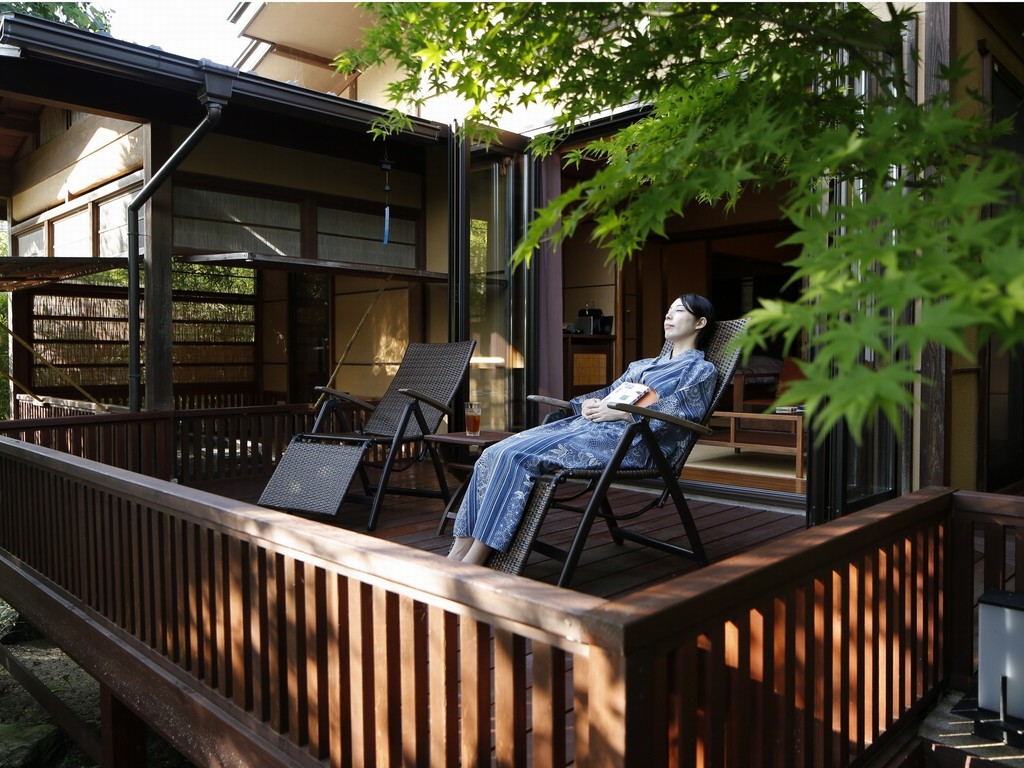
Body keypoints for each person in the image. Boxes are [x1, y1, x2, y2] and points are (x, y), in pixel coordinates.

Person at [447, 293, 718, 565]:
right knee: (494, 452)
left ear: (700, 322)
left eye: (679, 311)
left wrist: (623, 415)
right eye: (668, 310)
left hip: (633, 444)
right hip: (589, 430)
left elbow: (683, 411)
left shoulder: (701, 370)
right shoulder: (643, 365)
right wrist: (590, 403)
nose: (668, 315)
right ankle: (458, 550)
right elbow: (611, 393)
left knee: (516, 457)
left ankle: (475, 559)